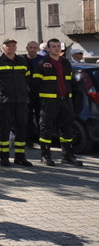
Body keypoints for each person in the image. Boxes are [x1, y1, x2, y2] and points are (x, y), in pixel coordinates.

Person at [32, 38, 83, 166]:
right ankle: (45, 156)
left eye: (58, 46)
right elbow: (35, 84)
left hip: (65, 101)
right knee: (46, 128)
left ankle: (68, 156)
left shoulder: (65, 62)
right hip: (49, 101)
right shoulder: (42, 63)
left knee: (67, 128)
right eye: (53, 46)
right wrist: (38, 101)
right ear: (48, 49)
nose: (56, 48)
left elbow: (70, 82)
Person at [0, 38, 33, 167]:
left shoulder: (23, 61)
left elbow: (28, 79)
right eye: (8, 45)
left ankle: (20, 157)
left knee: (21, 129)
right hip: (4, 102)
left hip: (21, 101)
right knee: (4, 130)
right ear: (3, 47)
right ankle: (4, 157)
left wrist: (25, 93)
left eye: (13, 45)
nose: (11, 47)